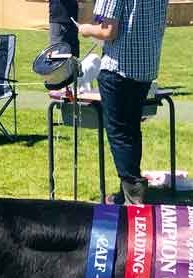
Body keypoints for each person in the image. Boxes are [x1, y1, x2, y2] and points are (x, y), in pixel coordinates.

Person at [78, 0, 169, 205]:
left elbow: (108, 30)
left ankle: (133, 190)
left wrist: (85, 29)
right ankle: (130, 187)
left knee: (119, 133)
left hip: (118, 68)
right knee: (131, 130)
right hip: (146, 68)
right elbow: (161, 25)